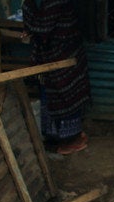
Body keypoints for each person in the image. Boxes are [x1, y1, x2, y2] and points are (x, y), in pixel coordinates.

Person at [22, 0, 91, 155]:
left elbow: (42, 28)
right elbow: (33, 25)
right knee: (51, 97)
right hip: (50, 57)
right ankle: (59, 138)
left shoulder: (56, 2)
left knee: (67, 96)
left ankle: (71, 141)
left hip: (65, 54)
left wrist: (30, 28)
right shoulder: (33, 3)